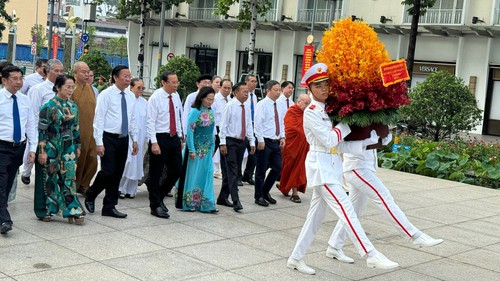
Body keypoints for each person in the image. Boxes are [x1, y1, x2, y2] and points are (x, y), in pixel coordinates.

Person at [287, 63, 399, 274]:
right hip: (321, 169)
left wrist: (369, 142)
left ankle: (295, 258)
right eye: (318, 86)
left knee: (315, 219)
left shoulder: (330, 110)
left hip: (332, 167)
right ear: (309, 90)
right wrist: (348, 122)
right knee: (347, 211)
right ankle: (371, 254)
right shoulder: (311, 112)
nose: (324, 89)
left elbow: (341, 145)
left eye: (326, 84)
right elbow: (330, 140)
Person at [327, 136, 444, 261]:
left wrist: (383, 134)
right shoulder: (352, 119)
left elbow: (384, 139)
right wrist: (371, 139)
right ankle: (413, 235)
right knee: (384, 198)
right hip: (356, 167)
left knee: (354, 210)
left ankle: (334, 246)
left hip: (366, 167)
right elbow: (343, 144)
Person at [85, 65, 138, 219]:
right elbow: (98, 119)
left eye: (129, 76)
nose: (128, 79)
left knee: (117, 173)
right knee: (108, 170)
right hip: (108, 138)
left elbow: (132, 119)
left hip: (124, 138)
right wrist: (99, 142)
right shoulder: (106, 94)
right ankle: (91, 193)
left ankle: (109, 206)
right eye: (125, 76)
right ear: (115, 77)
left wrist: (134, 139)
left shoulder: (130, 96)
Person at [35, 75, 85, 224]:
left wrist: (77, 146)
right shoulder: (48, 107)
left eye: (72, 87)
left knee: (69, 179)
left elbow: (76, 128)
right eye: (67, 87)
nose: (71, 90)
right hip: (51, 147)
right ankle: (47, 210)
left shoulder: (73, 106)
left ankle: (72, 210)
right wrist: (42, 151)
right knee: (50, 179)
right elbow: (42, 131)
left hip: (68, 148)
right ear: (58, 87)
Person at [0, 66, 37, 235]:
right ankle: (5, 219)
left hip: (18, 146)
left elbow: (30, 124)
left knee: (8, 183)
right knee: (1, 182)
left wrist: (33, 148)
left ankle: (1, 211)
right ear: (4, 80)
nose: (19, 82)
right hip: (1, 146)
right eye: (14, 79)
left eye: (20, 78)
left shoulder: (24, 100)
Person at [146, 71, 184, 219]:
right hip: (159, 138)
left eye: (177, 82)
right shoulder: (155, 97)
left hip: (173, 137)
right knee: (156, 173)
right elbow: (150, 121)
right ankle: (154, 205)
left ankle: (159, 195)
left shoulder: (176, 96)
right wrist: (154, 142)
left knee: (177, 170)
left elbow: (178, 116)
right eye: (172, 82)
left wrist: (180, 137)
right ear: (164, 82)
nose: (175, 85)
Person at [21, 59, 64, 187]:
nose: (59, 73)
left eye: (61, 71)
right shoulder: (38, 90)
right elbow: (33, 113)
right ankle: (26, 173)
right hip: (41, 130)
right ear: (48, 71)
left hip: (57, 133)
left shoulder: (62, 89)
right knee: (32, 156)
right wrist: (34, 134)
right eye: (56, 71)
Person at [217, 82, 255, 212]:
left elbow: (249, 124)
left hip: (242, 142)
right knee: (233, 171)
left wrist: (252, 141)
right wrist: (222, 143)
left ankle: (222, 197)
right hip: (230, 142)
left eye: (248, 92)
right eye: (244, 92)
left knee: (232, 170)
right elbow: (223, 126)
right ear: (236, 92)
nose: (246, 94)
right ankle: (236, 200)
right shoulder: (230, 106)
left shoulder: (247, 107)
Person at [180, 86, 217, 213]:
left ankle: (207, 204)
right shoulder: (195, 112)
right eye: (208, 99)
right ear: (201, 98)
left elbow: (212, 131)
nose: (210, 102)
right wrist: (191, 149)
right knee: (194, 176)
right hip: (195, 151)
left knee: (207, 175)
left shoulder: (211, 112)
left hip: (207, 151)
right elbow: (189, 132)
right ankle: (190, 203)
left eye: (212, 99)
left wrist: (212, 146)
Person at [253, 80, 285, 207]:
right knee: (261, 169)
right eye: (276, 90)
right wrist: (260, 139)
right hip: (264, 141)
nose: (278, 93)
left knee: (278, 167)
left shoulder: (280, 105)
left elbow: (281, 121)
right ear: (268, 91)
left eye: (279, 90)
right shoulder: (262, 104)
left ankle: (265, 191)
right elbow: (258, 123)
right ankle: (258, 196)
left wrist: (282, 136)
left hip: (276, 141)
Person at [279, 94, 311, 203]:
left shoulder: (307, 114)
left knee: (299, 168)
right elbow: (289, 128)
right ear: (299, 101)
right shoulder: (292, 111)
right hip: (292, 145)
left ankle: (293, 191)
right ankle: (290, 189)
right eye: (306, 103)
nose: (307, 106)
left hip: (303, 145)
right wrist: (303, 132)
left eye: (309, 104)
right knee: (290, 167)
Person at [119, 78, 148, 199]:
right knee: (128, 161)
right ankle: (120, 188)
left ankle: (131, 189)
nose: (141, 90)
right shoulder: (127, 99)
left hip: (141, 137)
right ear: (131, 87)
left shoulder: (144, 102)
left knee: (137, 163)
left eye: (143, 88)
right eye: (138, 88)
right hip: (129, 135)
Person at [72, 61, 98, 195]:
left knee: (92, 158)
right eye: (83, 72)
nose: (87, 74)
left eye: (88, 72)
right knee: (78, 158)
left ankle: (84, 184)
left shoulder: (91, 89)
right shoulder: (71, 88)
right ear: (75, 73)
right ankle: (74, 185)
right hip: (76, 131)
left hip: (91, 130)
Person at [211, 79, 232, 179]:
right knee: (211, 153)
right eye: (225, 88)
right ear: (220, 87)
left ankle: (225, 175)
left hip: (226, 131)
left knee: (225, 155)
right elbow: (212, 117)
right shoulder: (214, 99)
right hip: (216, 129)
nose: (227, 90)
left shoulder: (231, 100)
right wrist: (214, 133)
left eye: (229, 88)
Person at [241, 74, 259, 186]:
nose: (254, 83)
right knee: (241, 151)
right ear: (246, 82)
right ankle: (238, 176)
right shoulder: (243, 95)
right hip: (244, 126)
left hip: (253, 126)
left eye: (255, 81)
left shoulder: (254, 96)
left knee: (254, 153)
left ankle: (248, 175)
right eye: (252, 81)